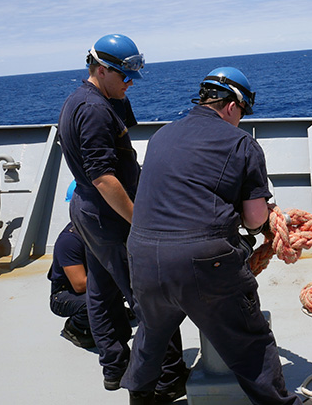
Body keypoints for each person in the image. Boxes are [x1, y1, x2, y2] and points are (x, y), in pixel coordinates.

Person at [121, 67, 310, 405]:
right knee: (249, 339)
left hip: (142, 254)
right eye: (243, 112)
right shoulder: (242, 143)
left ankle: (141, 398)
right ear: (233, 106)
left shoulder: (162, 135)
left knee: (151, 332)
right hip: (202, 261)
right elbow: (254, 220)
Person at [57, 34, 187, 396]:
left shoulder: (93, 100)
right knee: (150, 295)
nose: (130, 83)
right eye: (124, 76)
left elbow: (121, 144)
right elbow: (102, 178)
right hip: (108, 213)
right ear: (101, 69)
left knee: (102, 290)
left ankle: (114, 368)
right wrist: (139, 221)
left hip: (89, 212)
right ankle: (167, 377)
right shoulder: (95, 110)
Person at [48, 222, 94, 349]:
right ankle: (75, 328)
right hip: (65, 294)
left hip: (95, 283)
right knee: (91, 303)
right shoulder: (69, 240)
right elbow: (80, 285)